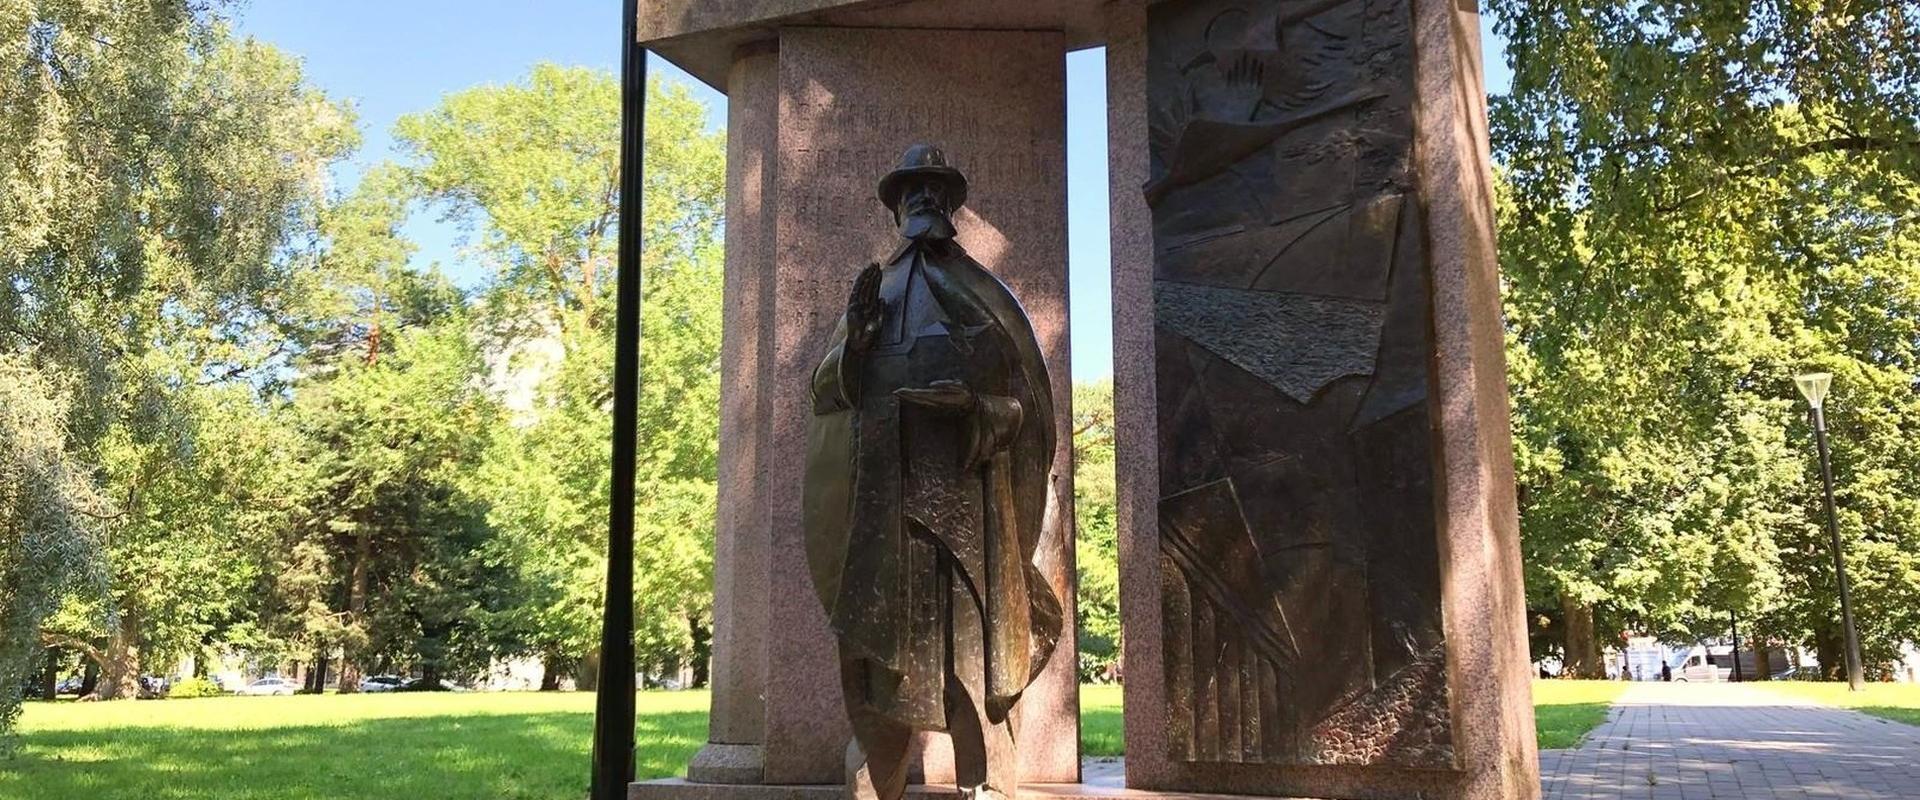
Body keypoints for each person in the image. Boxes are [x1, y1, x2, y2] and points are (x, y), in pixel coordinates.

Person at [804, 144, 1061, 800]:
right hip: (885, 504)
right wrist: (856, 345)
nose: (922, 201)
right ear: (896, 209)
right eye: (910, 192)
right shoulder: (875, 293)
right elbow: (826, 393)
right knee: (878, 663)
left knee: (972, 660)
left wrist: (976, 408)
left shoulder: (988, 297)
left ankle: (989, 782)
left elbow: (1030, 411)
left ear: (950, 204)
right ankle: (879, 774)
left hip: (967, 505)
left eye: (933, 190)